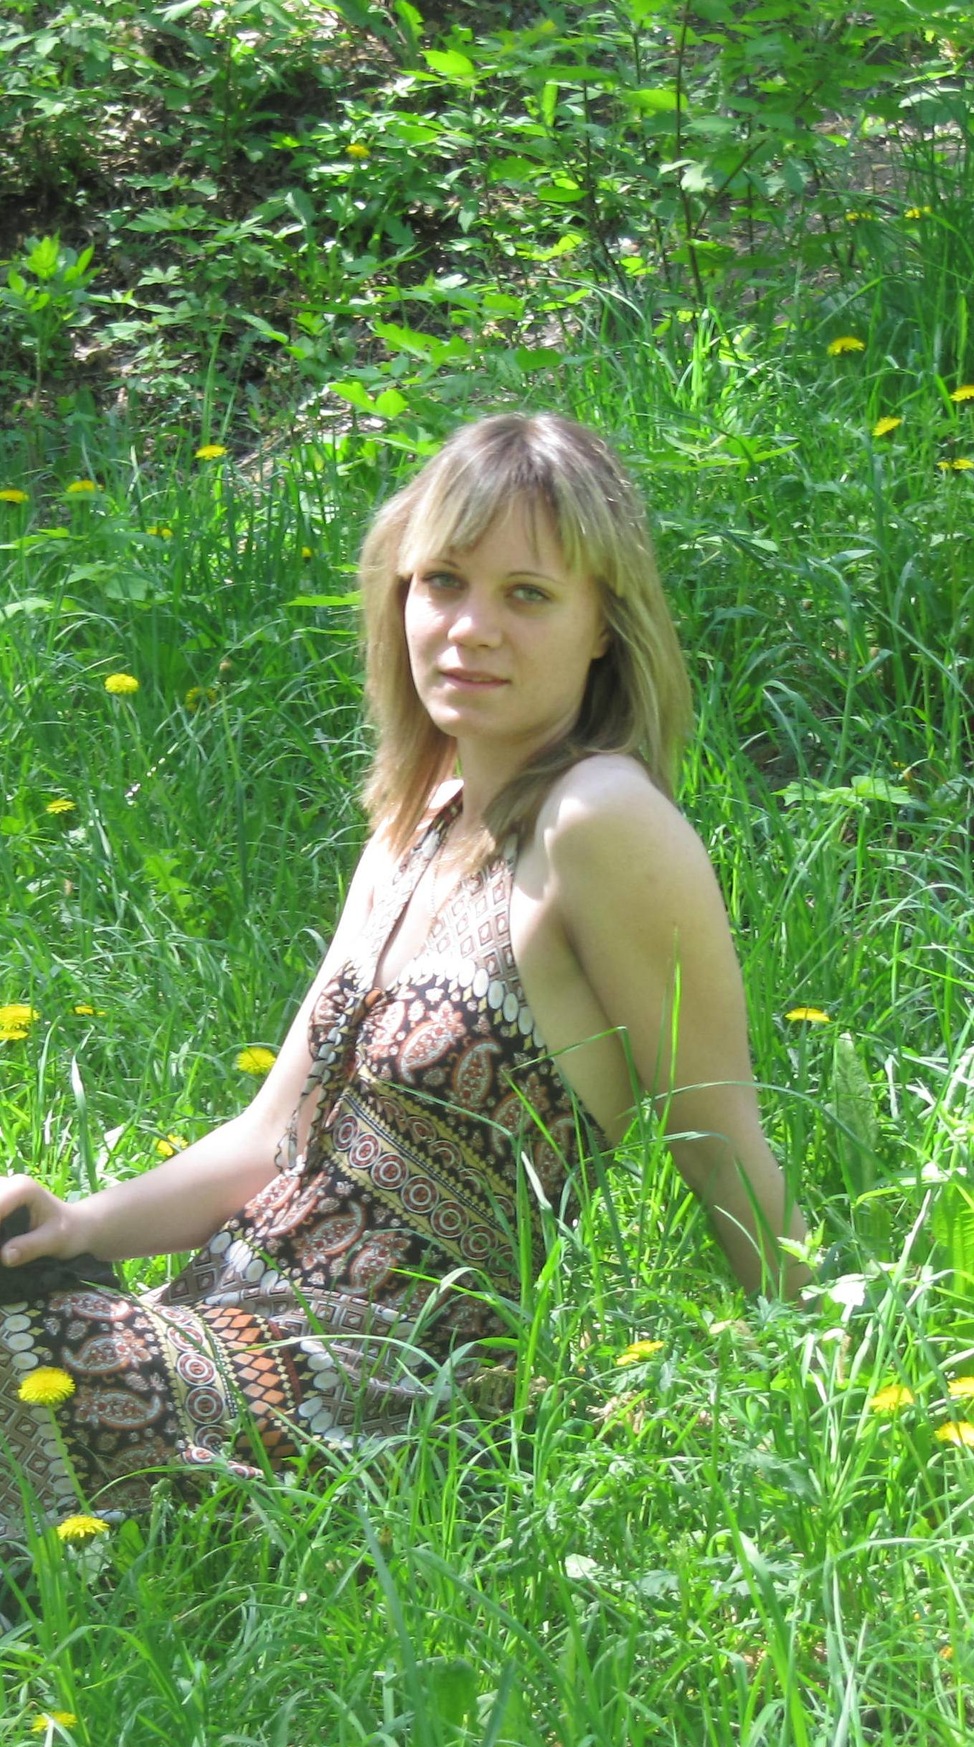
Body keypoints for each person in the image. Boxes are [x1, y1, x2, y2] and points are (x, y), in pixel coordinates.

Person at [0, 412, 807, 1543]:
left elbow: (718, 1138)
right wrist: (77, 1225)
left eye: (527, 594)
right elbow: (270, 1137)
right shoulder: (421, 815)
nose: (471, 628)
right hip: (217, 1326)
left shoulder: (600, 820)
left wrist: (834, 1390)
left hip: (379, 1391)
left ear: (603, 628)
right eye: (443, 581)